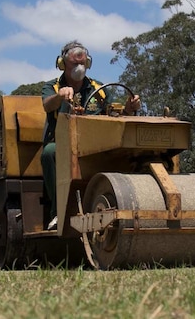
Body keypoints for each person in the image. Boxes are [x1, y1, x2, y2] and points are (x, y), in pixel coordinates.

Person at [40, 40, 141, 230]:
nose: (79, 68)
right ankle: (57, 214)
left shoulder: (99, 89)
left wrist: (128, 108)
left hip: (96, 146)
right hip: (64, 145)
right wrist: (60, 96)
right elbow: (47, 105)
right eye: (74, 64)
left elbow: (114, 117)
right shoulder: (52, 87)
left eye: (82, 63)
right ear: (63, 64)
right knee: (49, 153)